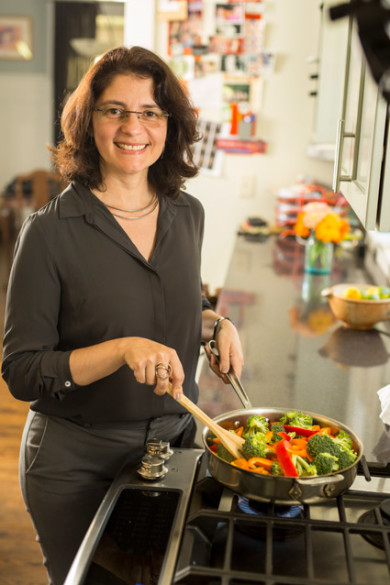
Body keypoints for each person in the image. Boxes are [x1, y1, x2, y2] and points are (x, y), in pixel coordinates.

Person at [1, 45, 243, 585]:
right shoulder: (49, 231)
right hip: (76, 460)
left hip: (176, 445)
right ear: (89, 122)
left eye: (150, 112)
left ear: (169, 124)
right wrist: (121, 350)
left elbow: (175, 301)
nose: (133, 126)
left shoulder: (187, 213)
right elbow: (22, 370)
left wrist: (216, 325)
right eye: (114, 110)